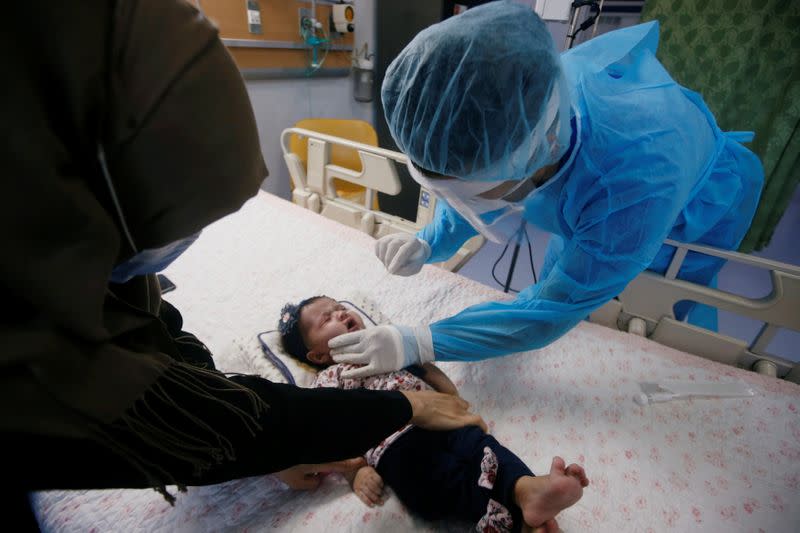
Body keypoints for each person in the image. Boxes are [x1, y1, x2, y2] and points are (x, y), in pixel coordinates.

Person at [1, 1, 485, 527]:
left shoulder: (87, 258)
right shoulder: (27, 344)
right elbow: (196, 421)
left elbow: (176, 359)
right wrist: (392, 419)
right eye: (168, 229)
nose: (342, 317)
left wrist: (278, 452)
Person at [328, 1, 764, 379]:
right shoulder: (523, 108)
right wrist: (428, 242)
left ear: (528, 156)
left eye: (467, 191)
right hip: (588, 175)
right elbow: (479, 187)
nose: (461, 204)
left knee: (667, 310)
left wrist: (421, 342)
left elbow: (549, 311)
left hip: (702, 205)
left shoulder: (634, 183)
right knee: (569, 271)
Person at [278, 296, 589, 532]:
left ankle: (526, 488)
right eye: (326, 318)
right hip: (394, 445)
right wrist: (354, 471)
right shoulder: (330, 379)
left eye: (339, 306)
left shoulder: (383, 345)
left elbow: (426, 369)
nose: (341, 313)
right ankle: (520, 519)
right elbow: (332, 430)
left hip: (442, 417)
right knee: (439, 485)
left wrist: (448, 394)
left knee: (483, 448)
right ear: (317, 355)